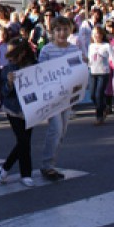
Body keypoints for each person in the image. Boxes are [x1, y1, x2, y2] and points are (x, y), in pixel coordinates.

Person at [38, 16, 79, 181]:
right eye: (58, 30)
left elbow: (78, 71)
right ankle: (47, 166)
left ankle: (51, 162)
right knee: (55, 129)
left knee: (62, 131)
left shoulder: (74, 49)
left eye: (65, 29)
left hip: (67, 96)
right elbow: (40, 72)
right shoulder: (47, 50)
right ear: (52, 32)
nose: (62, 33)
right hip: (52, 96)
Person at [0, 38, 37, 188]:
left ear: (23, 53)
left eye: (14, 53)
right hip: (13, 109)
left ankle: (9, 168)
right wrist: (9, 83)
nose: (11, 57)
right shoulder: (7, 69)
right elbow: (4, 93)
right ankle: (22, 173)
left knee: (25, 141)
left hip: (30, 109)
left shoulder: (34, 65)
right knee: (23, 141)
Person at [88, 26, 114, 124]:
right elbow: (89, 60)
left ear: (102, 35)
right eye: (94, 34)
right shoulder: (91, 46)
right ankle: (104, 107)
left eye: (98, 34)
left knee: (99, 94)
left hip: (103, 72)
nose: (96, 36)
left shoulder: (106, 46)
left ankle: (99, 117)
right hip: (93, 72)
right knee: (92, 95)